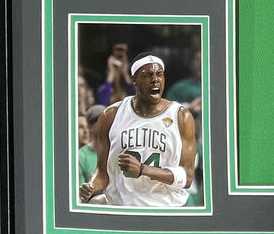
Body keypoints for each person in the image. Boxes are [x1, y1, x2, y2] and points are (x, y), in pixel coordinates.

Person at [79, 52, 197, 207]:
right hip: (122, 207)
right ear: (134, 79)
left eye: (159, 74)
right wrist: (92, 185)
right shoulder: (110, 116)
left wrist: (143, 169)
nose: (155, 79)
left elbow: (187, 178)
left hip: (164, 208)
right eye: (147, 75)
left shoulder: (181, 116)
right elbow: (102, 172)